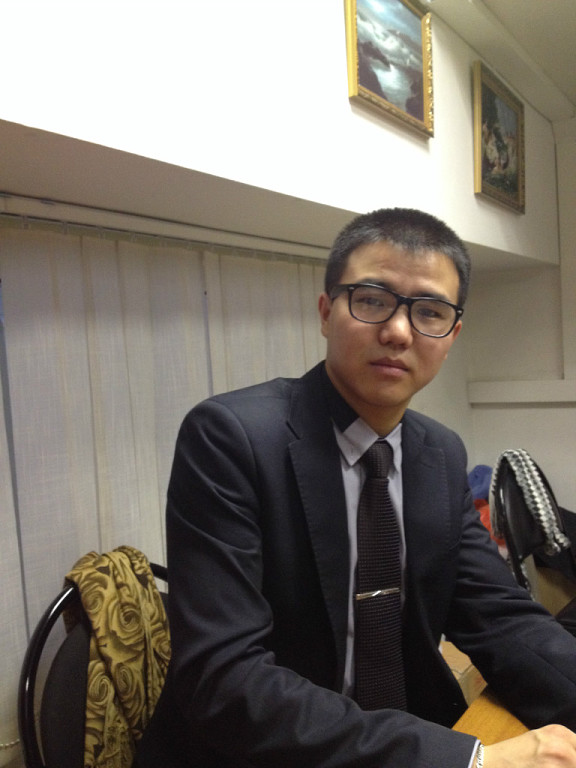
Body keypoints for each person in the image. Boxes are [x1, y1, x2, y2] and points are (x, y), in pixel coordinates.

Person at [137, 208, 576, 768]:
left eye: (429, 311)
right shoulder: (231, 438)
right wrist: (471, 761)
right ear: (326, 312)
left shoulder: (439, 454)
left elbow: (499, 617)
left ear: (451, 335)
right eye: (371, 300)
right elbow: (225, 678)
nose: (398, 331)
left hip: (404, 737)